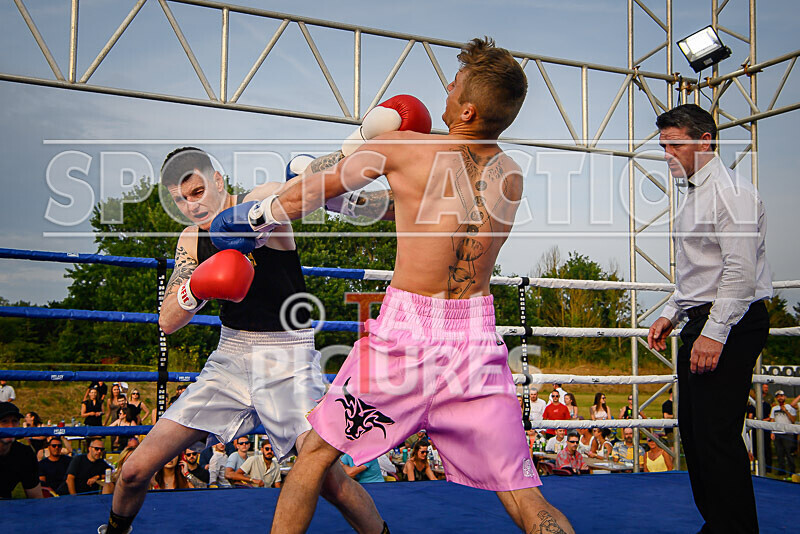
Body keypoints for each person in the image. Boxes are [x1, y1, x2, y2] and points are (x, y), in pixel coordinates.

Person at [250, 37, 572, 533]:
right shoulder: (511, 174)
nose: (446, 90)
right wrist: (364, 182)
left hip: (406, 335)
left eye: (454, 85)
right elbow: (427, 209)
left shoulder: (402, 148)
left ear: (467, 109)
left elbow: (305, 193)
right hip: (475, 343)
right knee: (523, 493)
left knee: (313, 457)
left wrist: (252, 215)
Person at [100, 148, 384, 534]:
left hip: (288, 358)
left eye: (197, 191)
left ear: (218, 180)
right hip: (229, 359)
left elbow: (305, 192)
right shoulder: (191, 239)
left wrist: (349, 151)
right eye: (180, 199)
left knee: (330, 480)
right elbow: (167, 321)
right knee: (134, 471)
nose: (191, 205)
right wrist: (196, 287)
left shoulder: (259, 198)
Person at [648, 104, 772, 534]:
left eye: (674, 144)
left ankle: (735, 529)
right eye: (663, 146)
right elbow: (700, 271)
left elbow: (739, 273)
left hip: (730, 321)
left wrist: (715, 333)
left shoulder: (731, 193)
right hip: (705, 319)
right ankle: (720, 524)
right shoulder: (694, 193)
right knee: (696, 435)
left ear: (705, 142)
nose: (667, 154)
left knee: (716, 436)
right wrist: (672, 312)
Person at [0, 402, 43, 499]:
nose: (11, 427)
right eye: (4, 421)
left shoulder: (24, 454)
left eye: (14, 421)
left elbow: (36, 498)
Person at [768, 390, 797, 478]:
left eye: (781, 396)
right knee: (779, 453)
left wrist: (786, 411)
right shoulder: (774, 409)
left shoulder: (790, 407)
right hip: (777, 433)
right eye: (778, 396)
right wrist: (772, 432)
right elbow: (772, 420)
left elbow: (793, 420)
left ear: (785, 397)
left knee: (789, 453)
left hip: (788, 433)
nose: (780, 398)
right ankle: (781, 471)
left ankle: (792, 471)